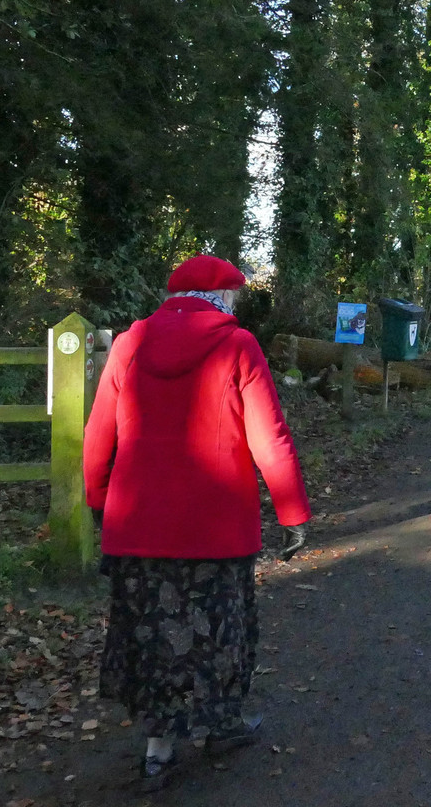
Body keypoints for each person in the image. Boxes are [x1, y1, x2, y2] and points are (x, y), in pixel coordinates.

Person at [83, 254, 311, 791]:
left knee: (151, 633)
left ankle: (157, 751)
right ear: (226, 297)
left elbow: (99, 433)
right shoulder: (238, 345)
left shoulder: (130, 344)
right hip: (215, 529)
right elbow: (269, 437)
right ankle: (221, 724)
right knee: (219, 630)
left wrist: (98, 499)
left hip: (138, 524)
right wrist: (292, 513)